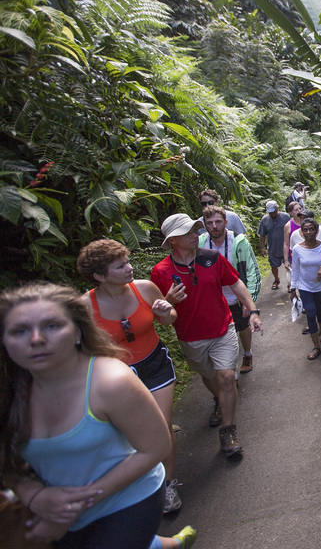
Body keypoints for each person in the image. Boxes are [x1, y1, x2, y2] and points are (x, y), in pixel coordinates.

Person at [0, 283, 197, 549]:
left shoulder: (111, 381)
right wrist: (35, 497)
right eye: (20, 331)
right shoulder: (9, 393)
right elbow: (7, 460)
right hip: (56, 508)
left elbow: (157, 447)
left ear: (78, 332)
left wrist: (78, 503)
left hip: (128, 498)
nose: (36, 339)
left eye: (52, 326)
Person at [76, 239, 181, 515]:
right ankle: (140, 487)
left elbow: (170, 319)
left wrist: (165, 311)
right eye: (121, 266)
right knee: (131, 437)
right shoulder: (84, 307)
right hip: (119, 377)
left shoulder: (144, 288)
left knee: (162, 423)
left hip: (154, 363)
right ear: (99, 275)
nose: (130, 268)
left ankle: (167, 485)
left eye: (128, 262)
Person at [150, 213, 263, 457]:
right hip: (191, 338)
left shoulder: (212, 258)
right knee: (210, 377)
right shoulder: (160, 272)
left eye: (194, 230)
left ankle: (228, 431)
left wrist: (252, 310)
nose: (195, 235)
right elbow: (163, 319)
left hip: (223, 329)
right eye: (188, 232)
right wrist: (167, 302)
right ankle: (220, 400)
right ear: (172, 240)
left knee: (225, 377)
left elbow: (236, 283)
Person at [199, 206, 261, 374]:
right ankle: (228, 371)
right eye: (209, 223)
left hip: (235, 296)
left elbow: (251, 270)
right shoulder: (200, 243)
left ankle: (247, 353)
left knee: (243, 327)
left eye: (218, 222)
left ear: (226, 222)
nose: (214, 226)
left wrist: (248, 300)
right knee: (224, 334)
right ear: (204, 224)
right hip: (214, 300)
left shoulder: (239, 242)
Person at [290, 219, 321, 361]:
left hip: (319, 286)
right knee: (310, 312)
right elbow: (295, 269)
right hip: (304, 287)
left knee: (320, 312)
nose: (308, 232)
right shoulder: (297, 249)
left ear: (317, 231)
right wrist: (293, 288)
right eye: (305, 230)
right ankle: (316, 346)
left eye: (311, 229)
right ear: (301, 232)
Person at [258, 200, 290, 290]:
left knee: (288, 265)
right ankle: (276, 279)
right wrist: (262, 248)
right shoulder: (264, 220)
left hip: (285, 247)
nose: (272, 214)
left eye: (273, 211)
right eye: (270, 212)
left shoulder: (285, 217)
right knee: (273, 265)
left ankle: (289, 283)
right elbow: (262, 235)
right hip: (272, 248)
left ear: (277, 208)